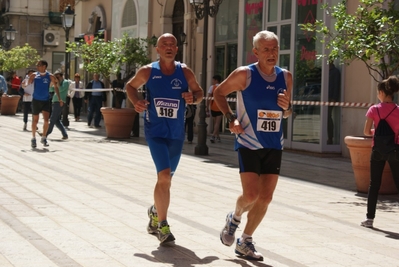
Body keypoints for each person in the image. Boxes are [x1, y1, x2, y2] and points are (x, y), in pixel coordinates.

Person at [214, 30, 292, 261]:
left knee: (265, 198)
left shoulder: (285, 76)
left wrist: (287, 108)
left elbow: (287, 112)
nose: (271, 53)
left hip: (274, 143)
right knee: (251, 194)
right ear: (255, 52)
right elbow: (218, 94)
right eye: (266, 49)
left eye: (275, 49)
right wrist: (230, 118)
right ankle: (235, 217)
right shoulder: (244, 75)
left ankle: (245, 240)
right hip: (248, 140)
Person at [125, 33, 203, 244]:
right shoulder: (148, 71)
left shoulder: (184, 71)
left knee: (165, 180)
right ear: (157, 49)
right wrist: (136, 102)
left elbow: (199, 93)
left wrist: (192, 98)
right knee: (165, 176)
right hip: (156, 132)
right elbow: (130, 87)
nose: (168, 47)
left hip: (176, 134)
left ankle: (154, 211)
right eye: (164, 45)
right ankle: (163, 225)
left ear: (177, 49)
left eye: (172, 44)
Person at [361, 76, 399, 228]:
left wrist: (377, 132)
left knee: (374, 184)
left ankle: (369, 219)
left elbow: (366, 132)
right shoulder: (398, 110)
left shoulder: (374, 109)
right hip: (395, 148)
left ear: (382, 93)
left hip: (377, 150)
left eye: (378, 92)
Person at [27, 60, 61, 148]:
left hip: (45, 100)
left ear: (44, 66)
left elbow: (56, 87)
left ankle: (44, 137)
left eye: (39, 65)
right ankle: (33, 138)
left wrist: (59, 99)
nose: (37, 66)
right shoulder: (34, 75)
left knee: (46, 120)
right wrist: (24, 84)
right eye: (37, 65)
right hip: (36, 100)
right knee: (35, 120)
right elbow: (28, 84)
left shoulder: (50, 76)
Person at [46, 71, 69, 140]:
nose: (57, 78)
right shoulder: (56, 83)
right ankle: (65, 134)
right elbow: (51, 90)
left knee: (52, 118)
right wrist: (52, 83)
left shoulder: (65, 82)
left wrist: (57, 83)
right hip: (54, 101)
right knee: (57, 120)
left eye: (58, 76)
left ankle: (46, 133)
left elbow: (61, 89)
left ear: (62, 76)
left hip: (60, 102)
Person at [206, 74, 223, 143]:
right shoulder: (222, 87)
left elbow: (208, 97)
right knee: (217, 123)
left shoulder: (212, 87)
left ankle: (214, 136)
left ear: (216, 80)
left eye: (213, 80)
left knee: (215, 123)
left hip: (213, 106)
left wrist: (207, 106)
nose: (212, 81)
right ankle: (216, 136)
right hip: (220, 107)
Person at [327, 61, 341, 145]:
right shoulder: (325, 71)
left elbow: (336, 85)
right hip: (324, 97)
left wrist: (334, 98)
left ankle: (330, 138)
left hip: (330, 98)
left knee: (328, 117)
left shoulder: (335, 72)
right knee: (325, 117)